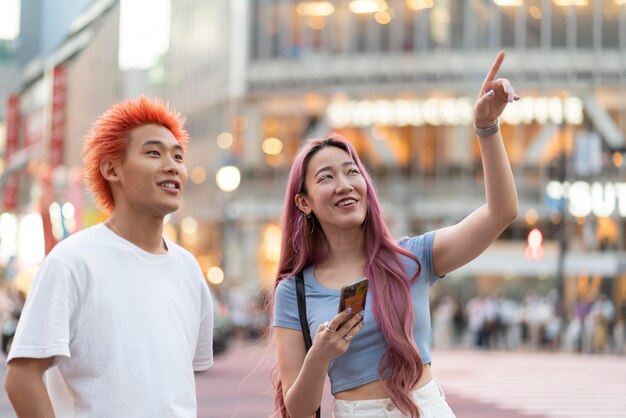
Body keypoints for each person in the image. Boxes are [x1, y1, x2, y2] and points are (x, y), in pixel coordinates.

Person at [271, 51, 518, 418]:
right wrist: (319, 356)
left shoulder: (411, 258)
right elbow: (298, 410)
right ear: (304, 202)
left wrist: (486, 128)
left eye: (352, 172)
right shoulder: (294, 291)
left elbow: (501, 212)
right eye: (326, 177)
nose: (344, 185)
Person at [4, 96, 214, 418]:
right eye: (154, 152)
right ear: (111, 168)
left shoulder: (188, 269)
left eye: (178, 156)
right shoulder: (72, 262)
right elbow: (21, 378)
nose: (173, 165)